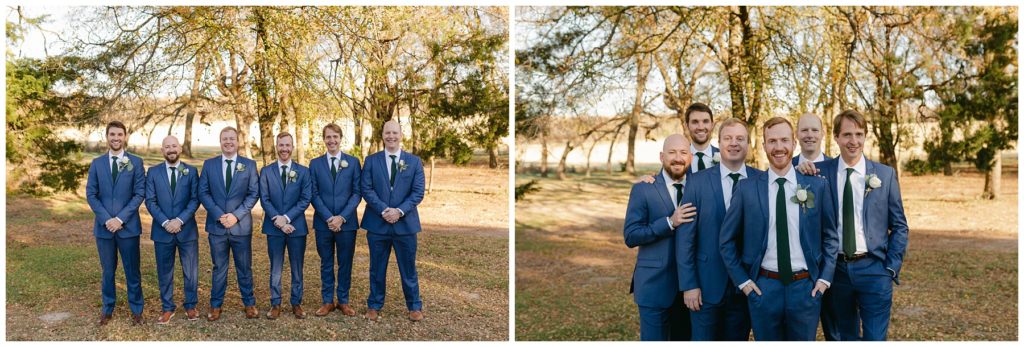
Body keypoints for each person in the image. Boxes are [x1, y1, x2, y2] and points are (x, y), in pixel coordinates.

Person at [719, 117, 839, 340]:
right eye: (772, 141)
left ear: (794, 144)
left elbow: (830, 237)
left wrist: (823, 280)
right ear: (764, 146)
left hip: (806, 289)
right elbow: (726, 241)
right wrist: (744, 283)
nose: (778, 147)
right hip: (763, 289)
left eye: (784, 140)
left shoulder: (817, 185)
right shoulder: (746, 189)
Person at [796, 110, 909, 340]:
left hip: (875, 270)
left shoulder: (884, 175)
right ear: (836, 137)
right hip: (836, 272)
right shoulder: (820, 173)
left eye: (859, 134)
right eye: (847, 134)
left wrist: (890, 267)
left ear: (866, 136)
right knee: (843, 338)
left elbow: (899, 226)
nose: (853, 141)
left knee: (875, 338)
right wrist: (798, 171)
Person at [675, 118, 760, 340]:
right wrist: (689, 285)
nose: (734, 143)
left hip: (746, 287)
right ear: (719, 142)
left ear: (748, 144)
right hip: (705, 286)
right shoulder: (697, 182)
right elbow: (685, 239)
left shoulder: (761, 179)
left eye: (740, 138)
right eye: (728, 138)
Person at [623, 134, 697, 341]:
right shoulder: (643, 188)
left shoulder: (699, 187)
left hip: (690, 288)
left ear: (690, 157)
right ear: (662, 156)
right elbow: (631, 235)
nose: (677, 158)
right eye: (672, 153)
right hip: (654, 286)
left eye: (683, 153)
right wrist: (669, 223)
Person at [360, 120, 426, 322]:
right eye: (387, 133)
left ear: (401, 135)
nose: (391, 136)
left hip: (405, 225)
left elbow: (418, 192)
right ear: (382, 135)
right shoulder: (371, 161)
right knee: (377, 267)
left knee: (408, 268)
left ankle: (414, 306)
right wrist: (383, 210)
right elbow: (366, 189)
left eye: (394, 133)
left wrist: (399, 211)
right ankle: (374, 304)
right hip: (377, 224)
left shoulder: (414, 162)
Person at [85, 120, 145, 326]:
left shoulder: (135, 162)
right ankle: (107, 308)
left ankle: (137, 309)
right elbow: (91, 194)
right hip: (104, 229)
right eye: (112, 134)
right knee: (108, 271)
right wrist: (107, 219)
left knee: (132, 270)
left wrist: (120, 219)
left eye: (120, 134)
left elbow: (139, 194)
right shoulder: (97, 163)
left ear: (125, 136)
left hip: (128, 228)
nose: (116, 138)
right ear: (107, 137)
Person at [198, 126, 260, 321]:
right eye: (225, 138)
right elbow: (203, 192)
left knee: (244, 267)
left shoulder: (249, 165)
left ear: (238, 141)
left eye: (232, 138)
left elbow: (253, 193)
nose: (228, 142)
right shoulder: (209, 165)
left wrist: (236, 216)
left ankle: (249, 303)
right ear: (220, 141)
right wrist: (219, 214)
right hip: (217, 227)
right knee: (219, 267)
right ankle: (216, 305)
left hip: (240, 226)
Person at [144, 135, 201, 324]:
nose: (171, 150)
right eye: (167, 146)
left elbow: (195, 199)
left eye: (174, 146)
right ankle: (167, 307)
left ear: (180, 148)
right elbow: (150, 201)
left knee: (190, 270)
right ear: (162, 150)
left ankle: (191, 305)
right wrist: (166, 222)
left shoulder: (191, 171)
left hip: (187, 230)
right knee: (164, 271)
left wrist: (179, 220)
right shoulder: (153, 172)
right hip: (162, 231)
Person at [792, 112, 838, 340]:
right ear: (797, 134)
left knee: (836, 333)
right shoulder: (785, 167)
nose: (809, 135)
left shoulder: (835, 168)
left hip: (833, 268)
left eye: (814, 130)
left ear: (823, 133)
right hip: (797, 273)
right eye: (804, 130)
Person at [309, 123, 363, 317]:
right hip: (323, 223)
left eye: (335, 137)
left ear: (341, 139)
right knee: (326, 262)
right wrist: (328, 217)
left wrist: (341, 217)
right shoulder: (315, 164)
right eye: (328, 137)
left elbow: (357, 193)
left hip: (346, 223)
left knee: (345, 261)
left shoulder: (353, 162)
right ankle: (327, 301)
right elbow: (313, 193)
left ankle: (343, 300)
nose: (332, 140)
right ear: (323, 140)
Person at [259, 132, 313, 319]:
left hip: (297, 227)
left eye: (287, 145)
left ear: (293, 147)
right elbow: (264, 199)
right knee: (275, 267)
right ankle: (275, 303)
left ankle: (296, 303)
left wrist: (287, 218)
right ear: (276, 146)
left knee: (297, 266)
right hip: (274, 228)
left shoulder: (303, 171)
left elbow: (305, 199)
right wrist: (278, 220)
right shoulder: (266, 171)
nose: (284, 149)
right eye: (281, 145)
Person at [684, 103, 720, 173]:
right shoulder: (678, 158)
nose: (701, 127)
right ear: (687, 125)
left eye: (705, 121)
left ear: (712, 125)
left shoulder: (726, 157)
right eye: (695, 122)